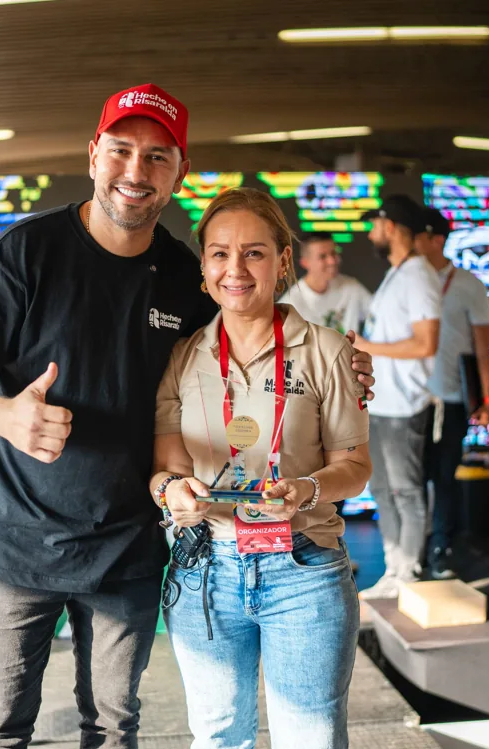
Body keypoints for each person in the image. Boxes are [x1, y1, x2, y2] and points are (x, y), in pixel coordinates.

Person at [0, 83, 376, 748]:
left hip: (127, 548)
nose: (135, 172)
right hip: (13, 546)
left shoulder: (182, 277)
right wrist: (2, 415)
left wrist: (341, 363)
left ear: (178, 173)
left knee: (113, 728)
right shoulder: (25, 253)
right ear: (93, 155)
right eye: (120, 151)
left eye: (157, 157)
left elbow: (244, 328)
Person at [152, 187, 372, 748]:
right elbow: (166, 468)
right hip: (206, 571)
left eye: (254, 252)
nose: (236, 269)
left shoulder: (328, 351)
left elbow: (354, 466)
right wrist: (174, 491)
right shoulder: (181, 357)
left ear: (282, 262)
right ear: (203, 268)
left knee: (311, 739)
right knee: (219, 737)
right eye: (220, 253)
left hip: (305, 570)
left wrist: (305, 489)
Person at [354, 194, 442, 598]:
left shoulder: (420, 275)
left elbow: (426, 343)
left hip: (404, 406)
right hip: (381, 404)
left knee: (406, 489)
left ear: (390, 227)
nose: (371, 232)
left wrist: (370, 346)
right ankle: (395, 568)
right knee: (381, 490)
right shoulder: (397, 273)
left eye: (375, 225)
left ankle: (410, 569)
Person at [415, 208, 489, 580]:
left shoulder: (468, 284)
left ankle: (441, 548)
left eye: (418, 236)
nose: (411, 243)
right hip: (410, 402)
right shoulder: (406, 280)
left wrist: (487, 399)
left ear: (436, 240)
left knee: (445, 476)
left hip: (451, 399)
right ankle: (413, 549)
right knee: (412, 479)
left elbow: (482, 347)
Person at [278, 231, 372, 334]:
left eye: (333, 253)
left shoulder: (352, 287)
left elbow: (379, 315)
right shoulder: (290, 305)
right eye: (322, 256)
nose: (332, 261)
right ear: (305, 263)